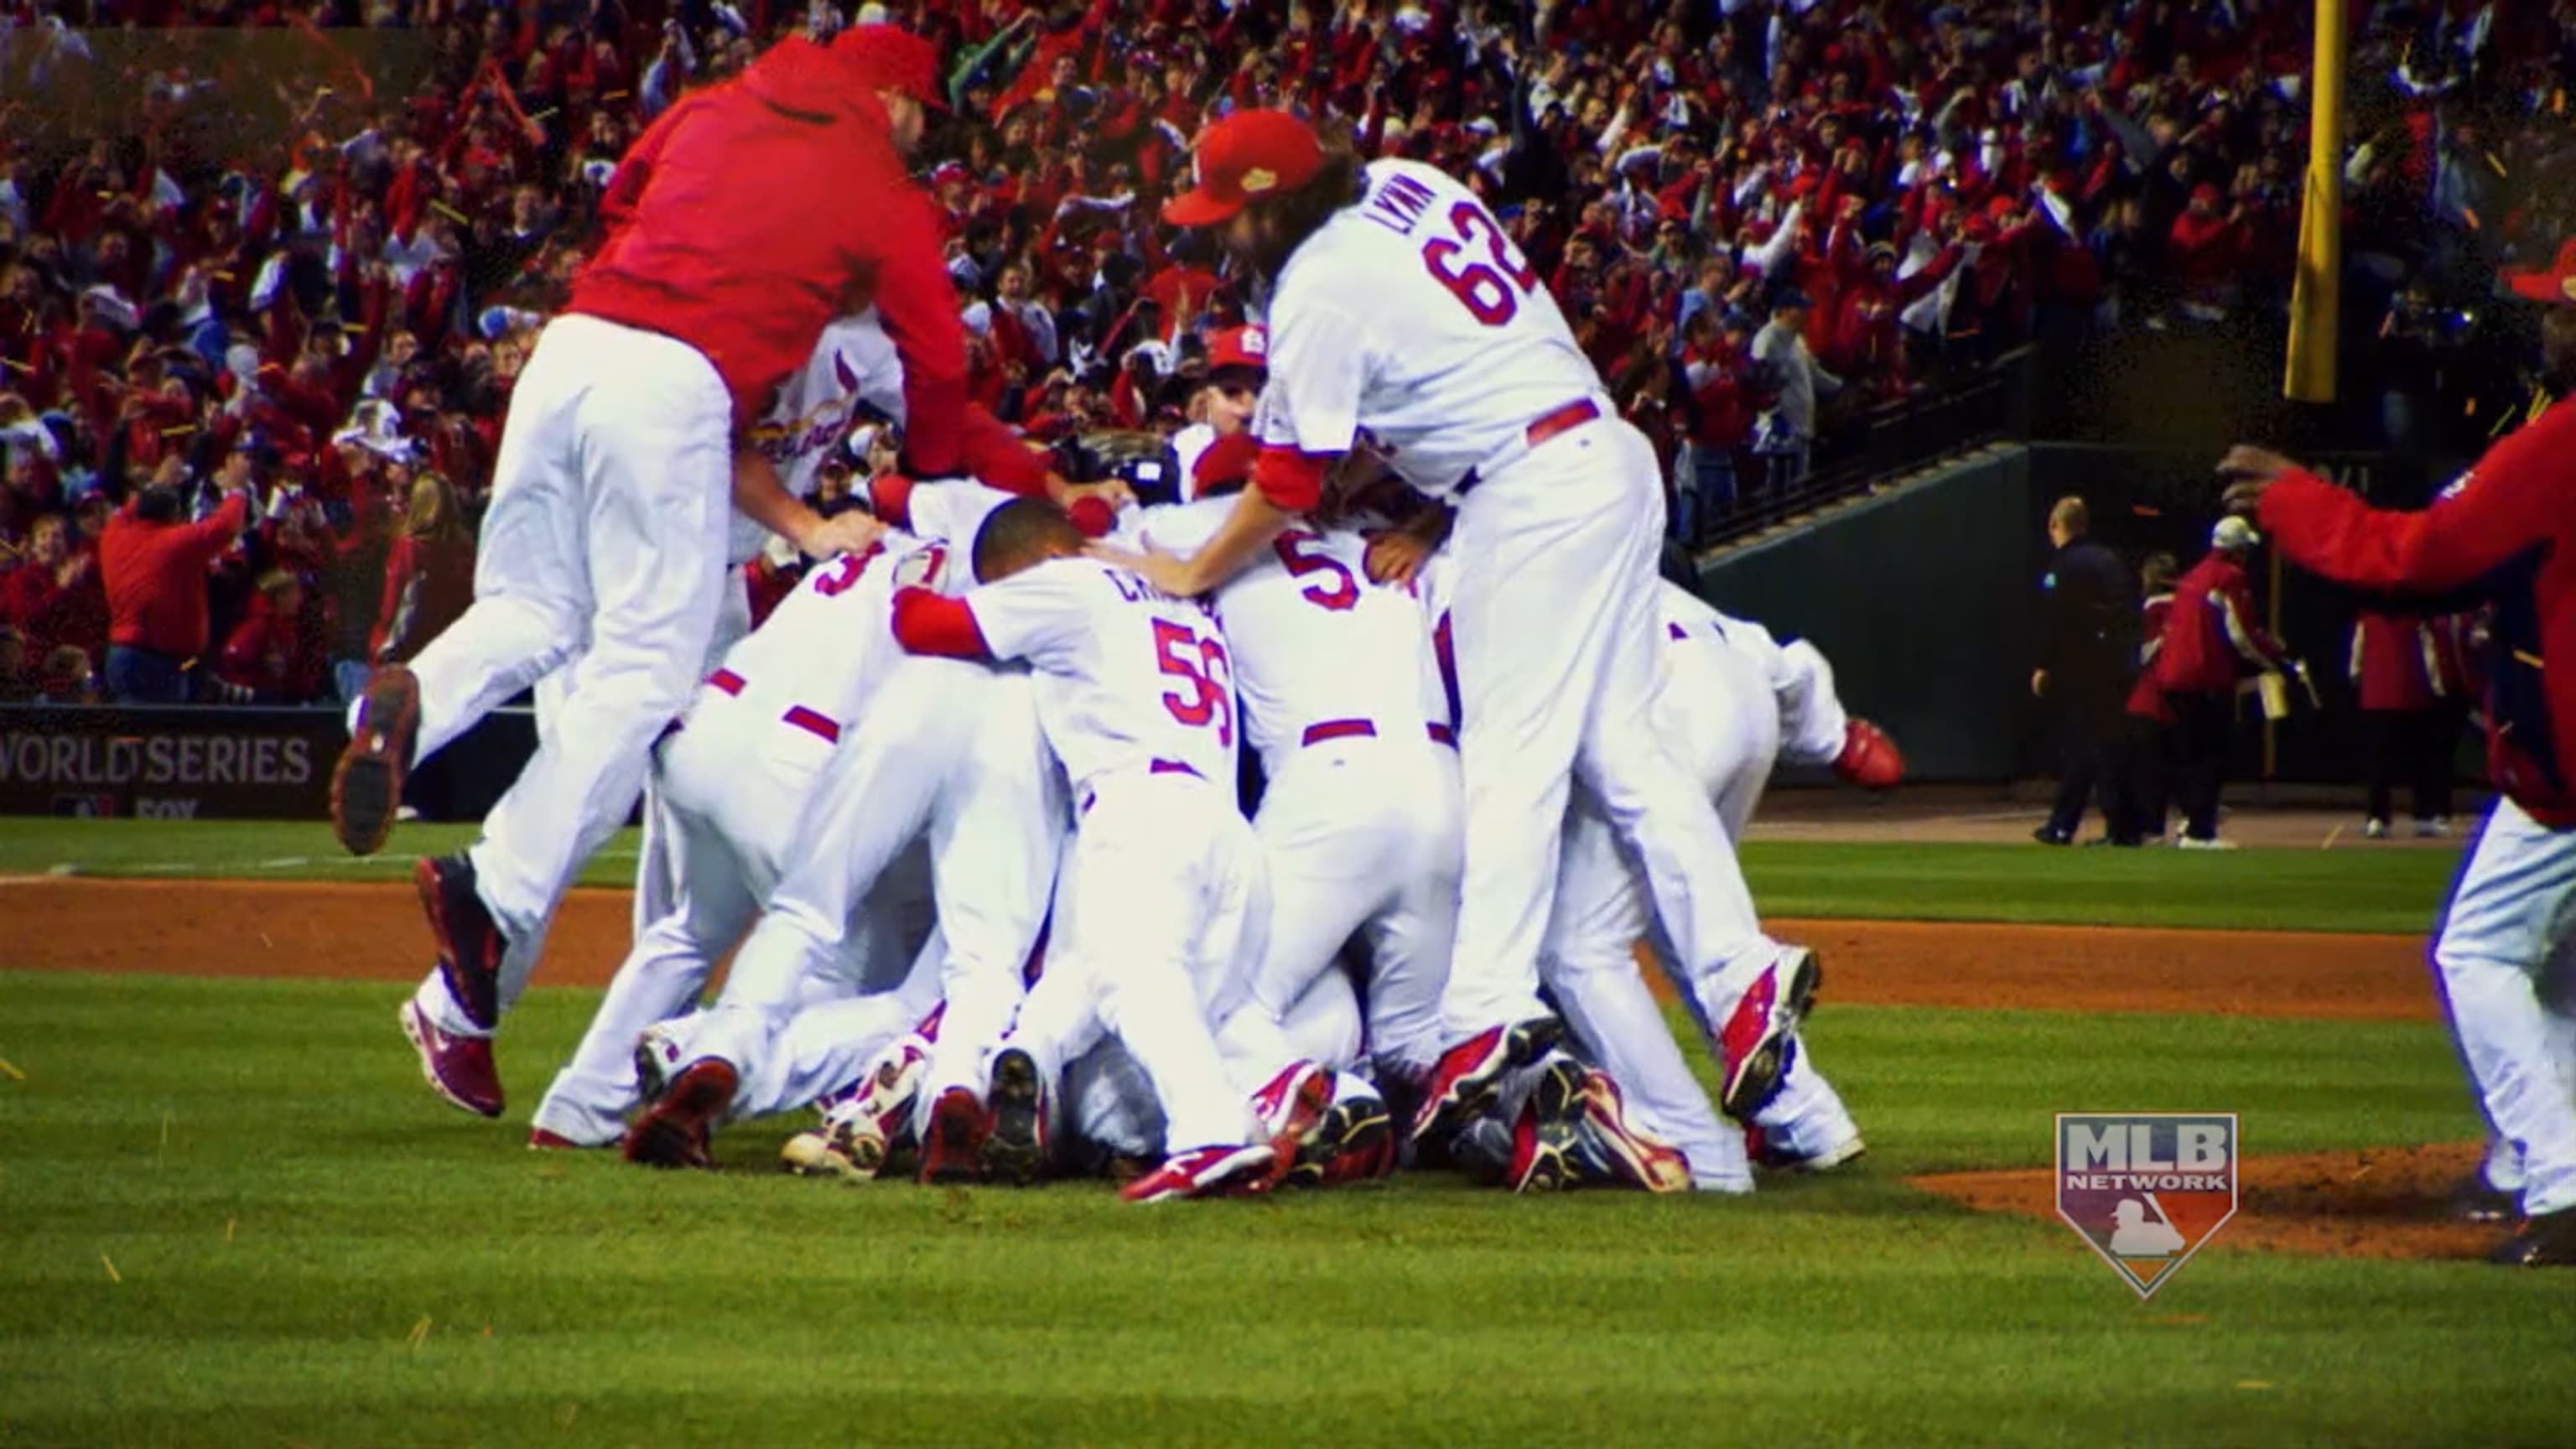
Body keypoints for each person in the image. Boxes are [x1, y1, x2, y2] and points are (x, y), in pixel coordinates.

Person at [1108, 110, 1818, 1145]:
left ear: (1275, 203)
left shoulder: (1316, 287)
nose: (1222, 237)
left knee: (1510, 764)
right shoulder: (1409, 180)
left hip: (1526, 496)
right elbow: (1470, 360)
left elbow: (1291, 483)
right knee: (1625, 753)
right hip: (1608, 456)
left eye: (1233, 215)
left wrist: (1191, 569)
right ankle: (1743, 972)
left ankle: (1484, 1014)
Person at [339, 29, 969, 1090]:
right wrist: (878, 501)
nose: (918, 141)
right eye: (922, 116)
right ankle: (499, 918)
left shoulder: (719, 115)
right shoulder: (850, 207)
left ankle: (411, 706)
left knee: (537, 618)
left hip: (581, 364)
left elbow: (626, 197)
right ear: (893, 98)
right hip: (670, 448)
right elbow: (923, 365)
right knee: (634, 698)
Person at [2217, 293, 2576, 1268]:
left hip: (2569, 781)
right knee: (2563, 977)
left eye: (2561, 308)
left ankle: (2560, 1178)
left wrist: (2296, 497)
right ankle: (2524, 1161)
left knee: (2481, 954)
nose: (2544, 325)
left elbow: (2414, 561)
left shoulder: (2560, 443)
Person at [889, 497, 1327, 1202]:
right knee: (1161, 998)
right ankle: (1260, 1091)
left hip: (1138, 808)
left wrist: (913, 572)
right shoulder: (1176, 593)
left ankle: (1210, 1131)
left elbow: (923, 626)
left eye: (1009, 582)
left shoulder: (1067, 582)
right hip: (1223, 827)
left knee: (1134, 981)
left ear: (1045, 559)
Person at [2150, 517, 2297, 849]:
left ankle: (2191, 824)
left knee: (2189, 754)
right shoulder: (2229, 576)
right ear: (2239, 549)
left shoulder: (2193, 575)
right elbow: (2241, 633)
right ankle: (2200, 831)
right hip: (2205, 676)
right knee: (2212, 754)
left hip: (2173, 676)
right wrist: (2277, 660)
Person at [2032, 496, 2142, 846]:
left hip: (2085, 671)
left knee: (2090, 749)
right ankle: (2110, 827)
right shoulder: (2109, 559)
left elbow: (2056, 620)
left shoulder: (2064, 565)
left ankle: (2076, 826)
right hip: (2120, 667)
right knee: (2105, 749)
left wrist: (2044, 664)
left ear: (2055, 525)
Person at [96, 471, 252, 704]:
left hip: (124, 654)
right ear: (174, 514)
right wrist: (236, 491)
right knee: (154, 736)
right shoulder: (178, 542)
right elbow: (225, 526)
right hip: (156, 662)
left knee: (133, 734)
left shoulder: (112, 535)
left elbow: (126, 511)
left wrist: (158, 482)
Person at [2349, 607, 2449, 839]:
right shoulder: (2417, 618)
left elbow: (2358, 651)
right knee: (2419, 761)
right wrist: (2437, 687)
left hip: (2377, 697)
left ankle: (2377, 818)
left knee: (2379, 762)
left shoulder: (2368, 617)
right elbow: (2429, 655)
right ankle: (2423, 817)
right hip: (2411, 694)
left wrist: (2356, 675)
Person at [368, 473, 475, 667]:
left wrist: (380, 648)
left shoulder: (409, 549)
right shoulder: (466, 548)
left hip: (413, 657)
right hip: (456, 654)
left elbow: (394, 608)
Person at [1168, 325, 1265, 486]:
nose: (1249, 411)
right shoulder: (1181, 455)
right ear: (1208, 397)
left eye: (1262, 393)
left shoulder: (1303, 459)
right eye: (1232, 392)